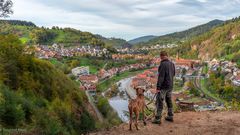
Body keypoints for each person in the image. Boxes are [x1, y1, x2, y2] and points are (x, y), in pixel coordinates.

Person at [152, 51, 175, 124]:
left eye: (160, 57)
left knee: (160, 101)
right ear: (167, 56)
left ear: (161, 56)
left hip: (163, 87)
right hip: (170, 85)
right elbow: (173, 74)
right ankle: (170, 116)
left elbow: (161, 77)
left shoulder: (162, 64)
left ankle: (158, 118)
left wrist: (158, 88)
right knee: (169, 100)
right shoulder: (172, 64)